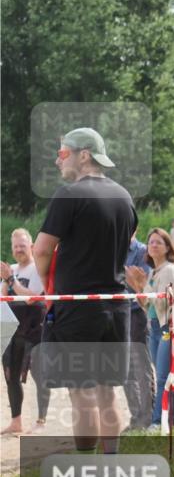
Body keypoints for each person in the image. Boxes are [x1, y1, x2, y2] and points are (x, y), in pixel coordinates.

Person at [32, 127, 138, 454]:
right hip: (116, 304)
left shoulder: (69, 194)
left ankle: (86, 467)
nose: (57, 160)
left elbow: (41, 250)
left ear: (84, 155)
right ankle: (111, 462)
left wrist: (51, 285)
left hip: (78, 307)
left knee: (82, 392)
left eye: (62, 153)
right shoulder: (124, 196)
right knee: (107, 392)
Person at [127, 228, 174, 429]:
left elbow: (162, 303)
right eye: (151, 242)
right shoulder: (154, 271)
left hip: (171, 326)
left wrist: (144, 284)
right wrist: (138, 287)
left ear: (167, 248)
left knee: (162, 376)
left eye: (158, 243)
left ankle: (156, 421)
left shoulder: (169, 270)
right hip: (155, 326)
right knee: (166, 374)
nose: (153, 245)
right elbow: (147, 305)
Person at [1, 229, 46, 435]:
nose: (19, 249)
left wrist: (11, 281)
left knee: (39, 375)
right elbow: (3, 299)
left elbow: (32, 297)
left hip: (34, 329)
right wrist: (5, 281)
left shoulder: (37, 269)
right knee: (11, 376)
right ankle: (16, 421)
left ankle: (41, 421)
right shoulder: (10, 269)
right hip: (12, 331)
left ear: (31, 246)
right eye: (16, 246)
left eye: (22, 245)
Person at [122, 229, 153, 431]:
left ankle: (148, 417)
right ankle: (136, 417)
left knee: (142, 367)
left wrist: (126, 276)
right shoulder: (112, 250)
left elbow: (144, 287)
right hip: (116, 314)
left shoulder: (142, 251)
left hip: (136, 313)